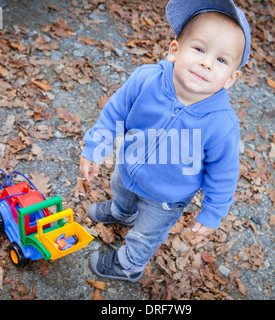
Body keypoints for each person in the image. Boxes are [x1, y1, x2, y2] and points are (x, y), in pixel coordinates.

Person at [79, 0, 251, 282]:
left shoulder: (221, 123)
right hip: (128, 165)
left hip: (166, 198)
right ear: (175, 50)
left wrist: (212, 212)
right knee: (120, 188)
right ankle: (122, 212)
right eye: (200, 49)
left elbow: (224, 173)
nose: (207, 62)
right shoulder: (146, 79)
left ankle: (129, 264)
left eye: (221, 60)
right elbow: (115, 112)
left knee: (147, 233)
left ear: (231, 78)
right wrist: (96, 146)